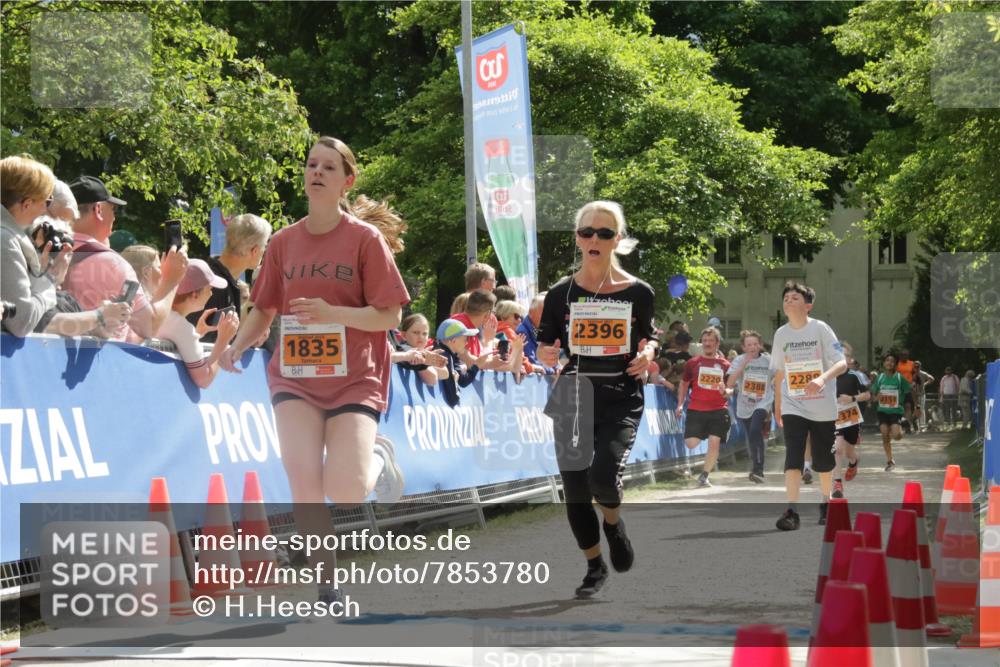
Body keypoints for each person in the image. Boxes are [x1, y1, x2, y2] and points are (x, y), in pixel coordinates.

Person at [219, 136, 410, 606]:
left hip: (354, 376)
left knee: (343, 490)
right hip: (295, 377)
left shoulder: (365, 240)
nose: (317, 172)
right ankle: (327, 584)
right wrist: (236, 346)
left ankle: (377, 459)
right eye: (311, 165)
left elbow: (390, 317)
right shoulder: (282, 243)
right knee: (304, 482)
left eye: (328, 166)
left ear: (347, 181)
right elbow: (263, 311)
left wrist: (333, 312)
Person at [536, 200, 656, 598]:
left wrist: (648, 354)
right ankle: (593, 566)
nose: (594, 238)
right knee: (574, 491)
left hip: (620, 395)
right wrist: (546, 354)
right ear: (578, 238)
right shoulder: (560, 293)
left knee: (603, 478)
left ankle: (613, 524)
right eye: (587, 232)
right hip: (572, 396)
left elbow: (649, 338)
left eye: (604, 233)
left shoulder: (639, 292)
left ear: (617, 240)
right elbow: (545, 345)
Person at [61, 176, 188, 342]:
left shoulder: (44, 248)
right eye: (113, 209)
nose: (115, 217)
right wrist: (172, 280)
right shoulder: (112, 263)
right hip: (96, 364)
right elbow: (149, 326)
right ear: (98, 210)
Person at [771, 282, 847, 531]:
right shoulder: (781, 334)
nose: (788, 301)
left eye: (794, 298)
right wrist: (778, 405)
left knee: (823, 461)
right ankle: (792, 511)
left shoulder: (821, 329)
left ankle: (826, 502)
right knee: (793, 454)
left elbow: (842, 363)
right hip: (794, 404)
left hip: (822, 406)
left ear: (808, 305)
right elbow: (780, 372)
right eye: (786, 298)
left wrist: (822, 378)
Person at [0, 156, 71, 337]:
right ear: (27, 204)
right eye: (47, 201)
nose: (45, 211)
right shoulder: (5, 241)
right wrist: (50, 280)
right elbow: (21, 322)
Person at [187, 213, 272, 343]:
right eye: (265, 246)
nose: (265, 251)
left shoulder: (220, 279)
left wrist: (249, 340)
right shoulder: (213, 284)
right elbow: (207, 342)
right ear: (254, 250)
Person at [157, 259, 239, 389]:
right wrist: (223, 341)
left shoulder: (159, 311)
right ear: (194, 294)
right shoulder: (182, 328)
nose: (211, 294)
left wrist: (197, 333)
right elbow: (204, 380)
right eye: (210, 289)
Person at [675, 327, 732, 487]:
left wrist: (726, 391)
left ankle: (704, 475)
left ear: (717, 343)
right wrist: (680, 404)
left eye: (711, 341)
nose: (707, 344)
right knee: (691, 443)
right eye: (704, 341)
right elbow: (684, 384)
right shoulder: (692, 363)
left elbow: (731, 389)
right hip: (696, 409)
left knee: (714, 442)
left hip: (718, 409)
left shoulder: (725, 365)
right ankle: (706, 433)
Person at [726, 330, 774, 484]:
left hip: (763, 401)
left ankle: (758, 469)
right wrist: (743, 365)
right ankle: (756, 466)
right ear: (743, 347)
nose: (752, 347)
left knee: (755, 430)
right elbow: (730, 383)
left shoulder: (768, 361)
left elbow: (780, 375)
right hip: (745, 404)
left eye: (755, 344)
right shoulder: (738, 360)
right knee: (752, 437)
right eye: (749, 345)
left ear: (760, 345)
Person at [832, 343, 871, 493]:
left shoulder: (856, 376)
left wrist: (852, 398)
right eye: (839, 354)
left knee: (849, 452)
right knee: (837, 448)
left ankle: (854, 461)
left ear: (850, 359)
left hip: (851, 418)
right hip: (834, 418)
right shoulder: (829, 376)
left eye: (846, 355)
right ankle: (837, 483)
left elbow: (867, 395)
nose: (842, 358)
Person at [870, 353, 911, 471]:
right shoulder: (880, 378)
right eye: (887, 360)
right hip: (882, 411)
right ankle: (890, 461)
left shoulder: (899, 378)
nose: (889, 363)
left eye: (892, 361)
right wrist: (876, 397)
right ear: (884, 363)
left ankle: (899, 430)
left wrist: (913, 408)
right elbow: (873, 397)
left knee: (897, 436)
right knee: (884, 434)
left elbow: (908, 393)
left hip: (895, 411)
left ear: (895, 364)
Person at [433, 318, 484, 407]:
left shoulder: (448, 354)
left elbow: (461, 379)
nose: (467, 343)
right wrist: (476, 366)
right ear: (453, 341)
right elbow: (460, 386)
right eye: (465, 339)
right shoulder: (444, 356)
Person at [390, 313, 447, 387]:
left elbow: (445, 373)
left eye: (425, 334)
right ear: (404, 335)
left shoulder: (425, 352)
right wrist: (424, 361)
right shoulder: (403, 351)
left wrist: (429, 361)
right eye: (416, 333)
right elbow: (432, 379)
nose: (421, 337)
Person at [517, 292, 556, 375]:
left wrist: (557, 368)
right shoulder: (522, 332)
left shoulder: (543, 331)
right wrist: (553, 371)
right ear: (531, 313)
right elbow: (532, 360)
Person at [910, 361, 934, 432]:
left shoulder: (923, 374)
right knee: (916, 409)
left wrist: (925, 384)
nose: (916, 368)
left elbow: (932, 378)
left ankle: (922, 425)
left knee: (921, 409)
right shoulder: (911, 374)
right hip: (914, 395)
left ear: (920, 367)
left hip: (921, 395)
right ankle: (916, 425)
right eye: (915, 366)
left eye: (917, 367)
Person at [896, 349, 915, 433]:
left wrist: (913, 383)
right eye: (903, 354)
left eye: (906, 355)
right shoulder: (896, 364)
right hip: (898, 388)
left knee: (908, 406)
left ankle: (908, 426)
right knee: (899, 407)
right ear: (900, 356)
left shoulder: (911, 363)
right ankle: (899, 425)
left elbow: (914, 374)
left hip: (908, 388)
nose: (904, 356)